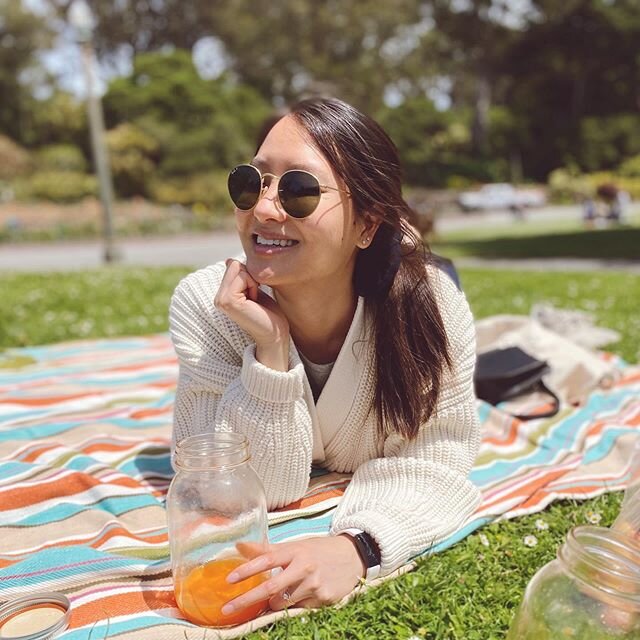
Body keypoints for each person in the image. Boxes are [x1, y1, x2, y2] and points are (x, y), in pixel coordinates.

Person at [169, 97, 481, 615]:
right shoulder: (208, 307)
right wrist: (270, 352)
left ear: (366, 223)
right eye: (252, 183)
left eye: (298, 190)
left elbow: (441, 464)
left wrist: (356, 548)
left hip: (406, 298)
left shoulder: (433, 310)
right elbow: (251, 490)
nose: (263, 209)